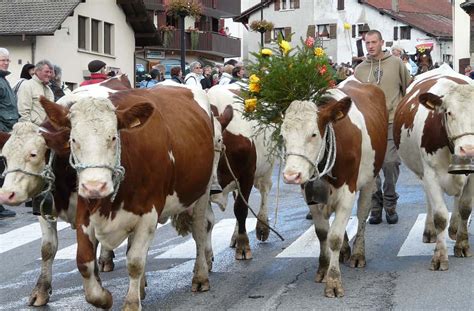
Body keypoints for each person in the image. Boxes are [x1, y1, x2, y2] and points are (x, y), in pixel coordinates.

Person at [354, 29, 411, 225]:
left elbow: (408, 87)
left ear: (381, 42)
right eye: (367, 43)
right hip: (368, 125)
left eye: (373, 42)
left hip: (391, 122)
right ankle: (375, 206)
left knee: (390, 163)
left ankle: (390, 200)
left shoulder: (396, 64)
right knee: (371, 169)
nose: (370, 46)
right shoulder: (359, 69)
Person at [0, 48, 19, 218]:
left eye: (7, 60)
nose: (6, 63)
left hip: (7, 129)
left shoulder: (4, 79)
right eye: (2, 60)